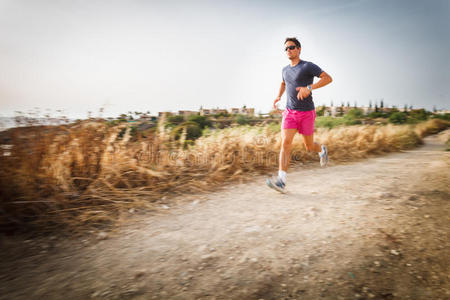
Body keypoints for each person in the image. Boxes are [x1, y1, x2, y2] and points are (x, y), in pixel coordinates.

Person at [266, 37, 333, 193]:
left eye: (292, 47)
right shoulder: (285, 70)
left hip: (307, 113)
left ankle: (321, 150)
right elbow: (284, 83)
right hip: (289, 112)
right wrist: (278, 96)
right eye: (286, 48)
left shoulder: (307, 66)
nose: (289, 50)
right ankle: (281, 181)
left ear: (299, 49)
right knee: (285, 143)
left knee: (309, 146)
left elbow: (328, 78)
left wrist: (309, 87)